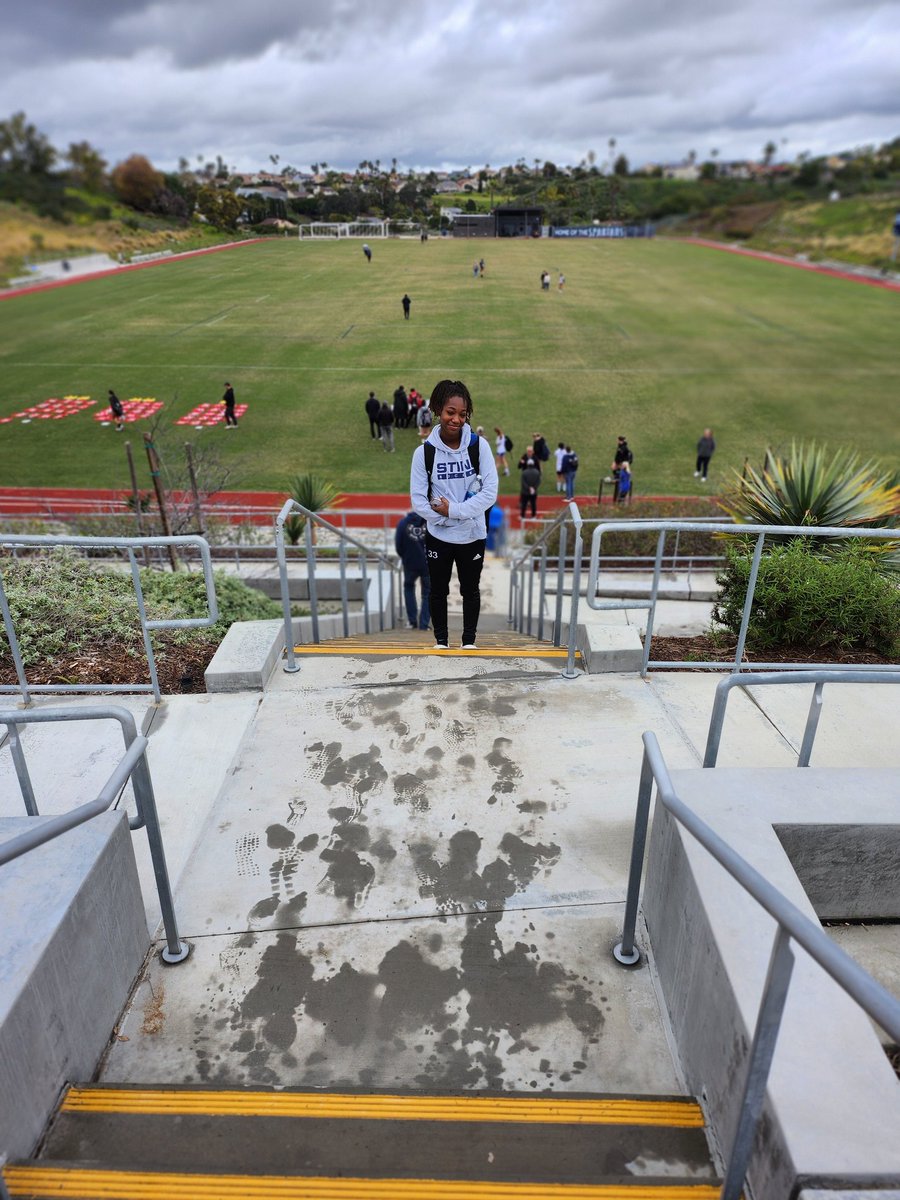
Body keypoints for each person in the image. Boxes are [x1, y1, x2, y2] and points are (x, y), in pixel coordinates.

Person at [410, 379, 498, 650]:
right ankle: (441, 642)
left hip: (472, 536)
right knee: (438, 591)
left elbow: (490, 493)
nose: (457, 420)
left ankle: (469, 642)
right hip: (439, 536)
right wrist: (449, 518)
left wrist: (455, 510)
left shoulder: (478, 446)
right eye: (450, 412)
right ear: (437, 409)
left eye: (463, 414)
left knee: (470, 590)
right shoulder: (423, 453)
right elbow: (418, 502)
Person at [395, 510, 431, 631]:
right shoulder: (429, 521)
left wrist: (405, 557)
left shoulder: (403, 523)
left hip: (409, 563)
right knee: (427, 593)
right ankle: (424, 624)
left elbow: (398, 545)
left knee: (409, 588)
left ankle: (412, 621)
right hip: (427, 564)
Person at [611, 436, 633, 500]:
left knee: (621, 499)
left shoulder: (624, 448)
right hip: (622, 487)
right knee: (620, 499)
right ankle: (616, 477)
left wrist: (625, 463)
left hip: (624, 487)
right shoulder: (620, 447)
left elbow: (626, 455)